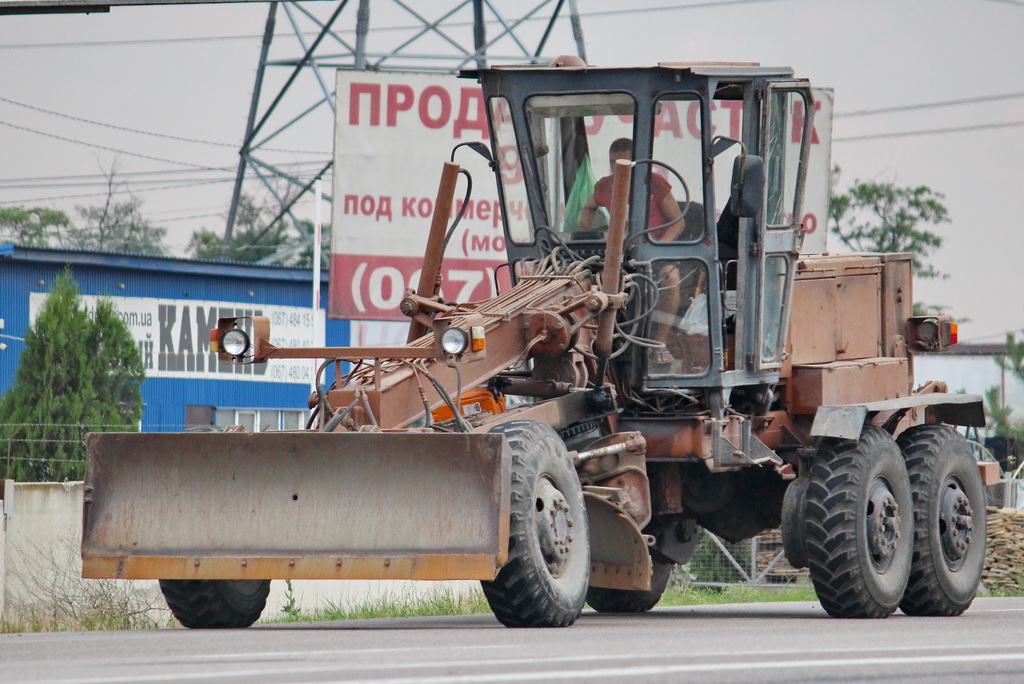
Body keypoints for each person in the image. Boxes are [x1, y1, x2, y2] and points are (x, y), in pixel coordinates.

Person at [579, 138, 689, 366]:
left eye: (624, 164)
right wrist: (584, 233)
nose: (616, 170)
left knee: (671, 278)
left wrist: (658, 247)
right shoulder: (604, 185)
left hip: (653, 251)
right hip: (619, 253)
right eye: (612, 163)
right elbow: (589, 207)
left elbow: (678, 223)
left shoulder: (656, 183)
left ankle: (660, 340)